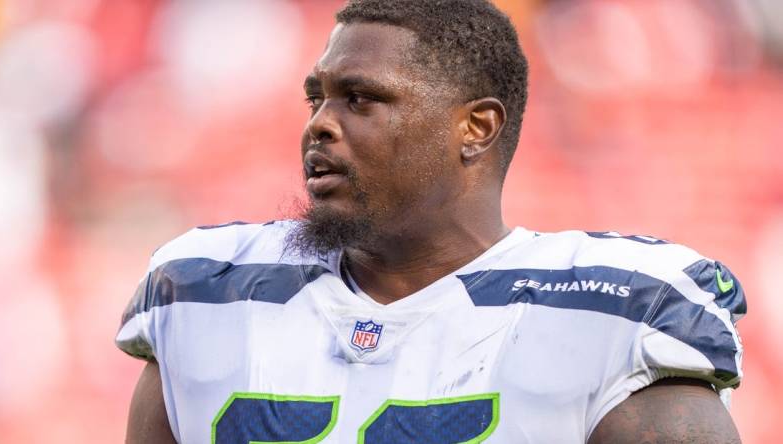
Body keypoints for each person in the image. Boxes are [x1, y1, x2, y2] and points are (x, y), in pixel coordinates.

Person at [117, 0, 746, 442]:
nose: (319, 124)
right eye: (318, 98)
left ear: (476, 128)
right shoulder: (201, 292)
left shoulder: (616, 315)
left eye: (361, 99)